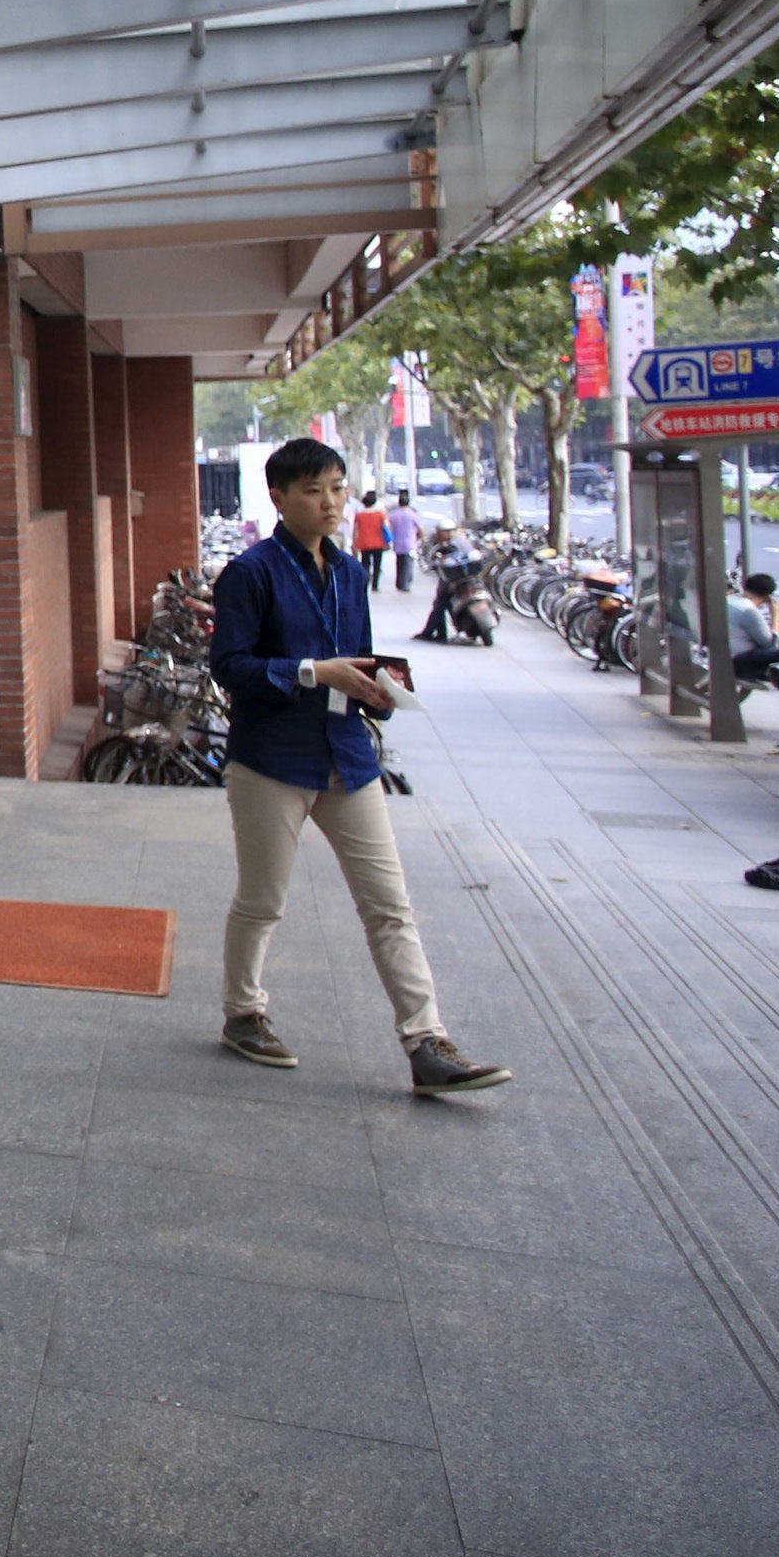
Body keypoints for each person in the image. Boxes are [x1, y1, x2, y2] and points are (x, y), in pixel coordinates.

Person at [206, 438, 508, 1096]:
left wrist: (376, 684)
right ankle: (243, 1011)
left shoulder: (347, 573)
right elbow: (230, 667)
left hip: (347, 754)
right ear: (280, 498)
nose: (331, 501)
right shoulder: (250, 573)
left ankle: (427, 1042)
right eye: (315, 490)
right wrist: (314, 671)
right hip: (271, 761)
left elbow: (355, 656)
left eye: (338, 488)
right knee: (263, 900)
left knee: (389, 903)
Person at [729, 571, 779, 682]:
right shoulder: (748, 611)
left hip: (723, 655)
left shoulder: (730, 600)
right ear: (767, 596)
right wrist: (776, 616)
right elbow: (771, 645)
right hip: (738, 661)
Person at [384, 490, 425, 591]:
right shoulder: (412, 514)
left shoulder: (393, 515)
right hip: (409, 543)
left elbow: (389, 528)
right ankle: (405, 584)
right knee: (408, 564)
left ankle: (399, 583)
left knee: (399, 563)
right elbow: (421, 529)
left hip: (397, 543)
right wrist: (418, 538)